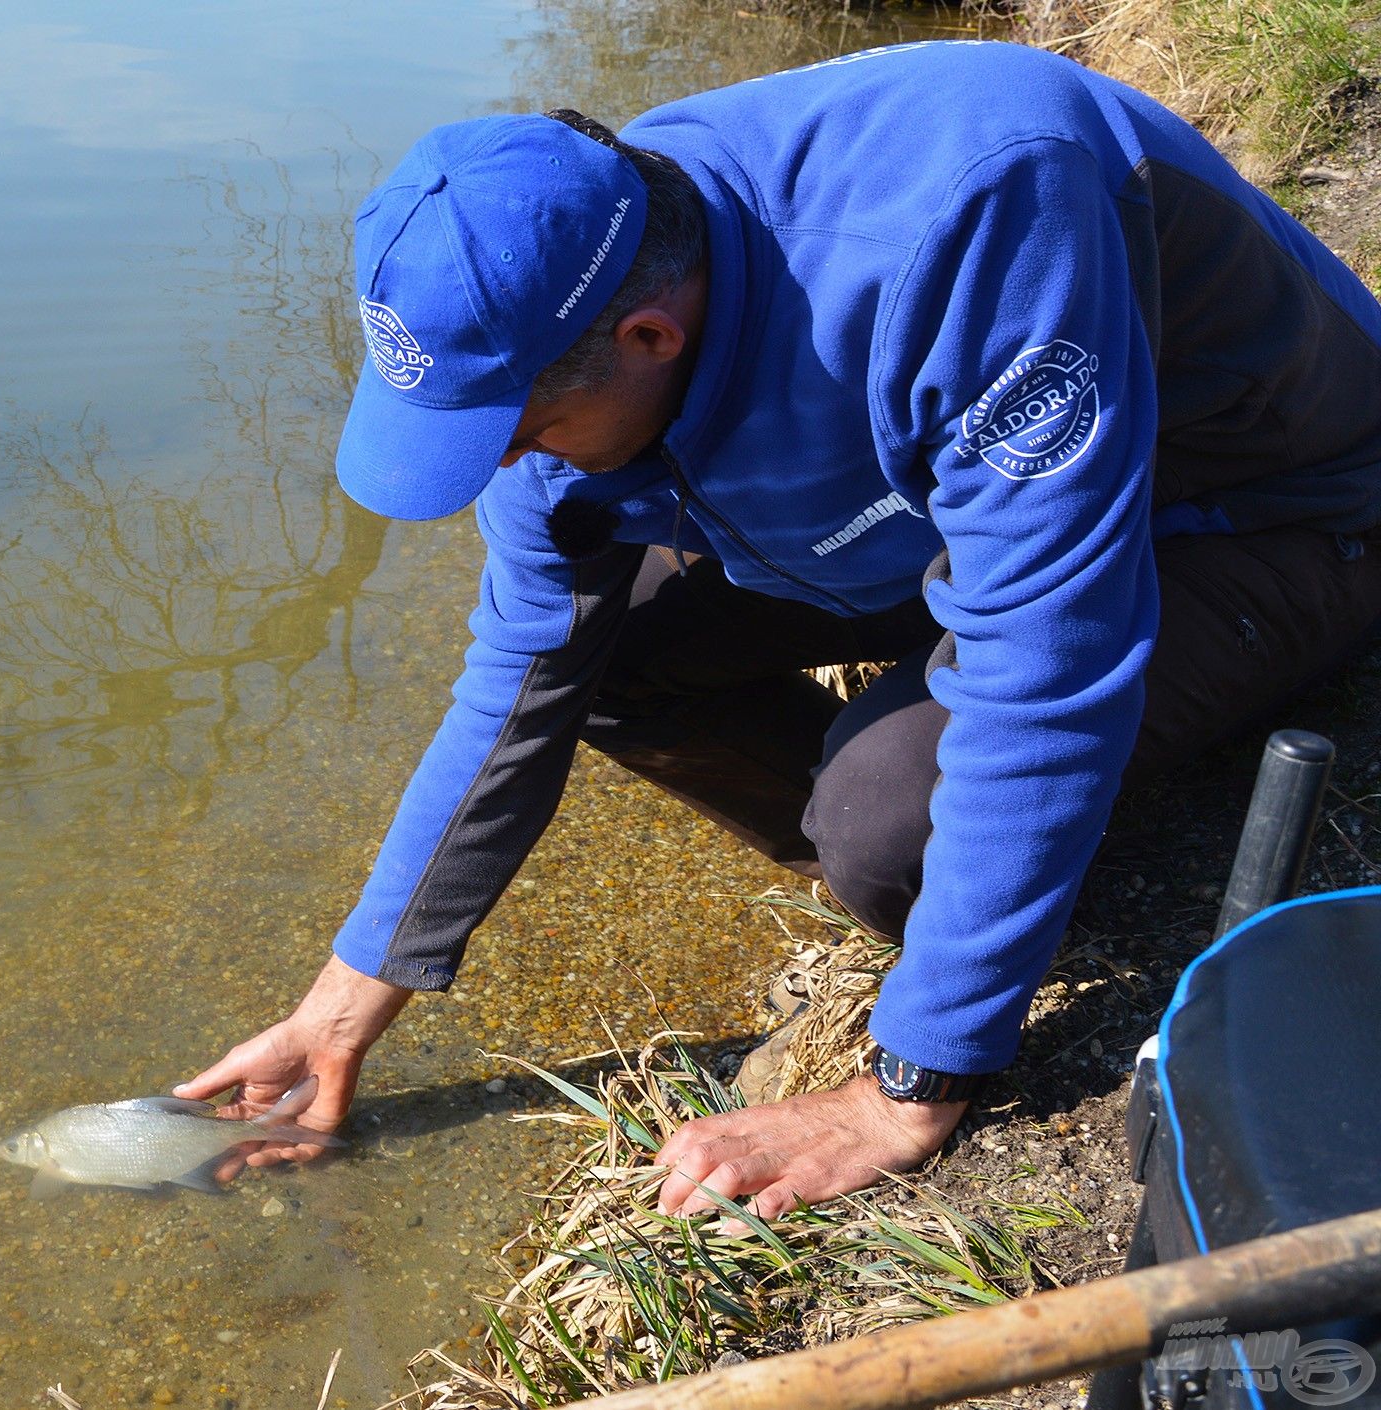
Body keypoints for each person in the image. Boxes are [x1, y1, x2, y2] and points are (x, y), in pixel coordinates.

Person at [177, 40, 1381, 1218]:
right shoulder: (577, 268)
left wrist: (909, 1084)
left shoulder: (978, 216)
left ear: (651, 340)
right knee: (626, 659)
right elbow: (522, 675)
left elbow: (1049, 655)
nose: (505, 467)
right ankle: (965, 871)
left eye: (519, 429)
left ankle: (950, 867)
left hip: (1267, 509)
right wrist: (339, 1011)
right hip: (956, 505)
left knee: (882, 820)